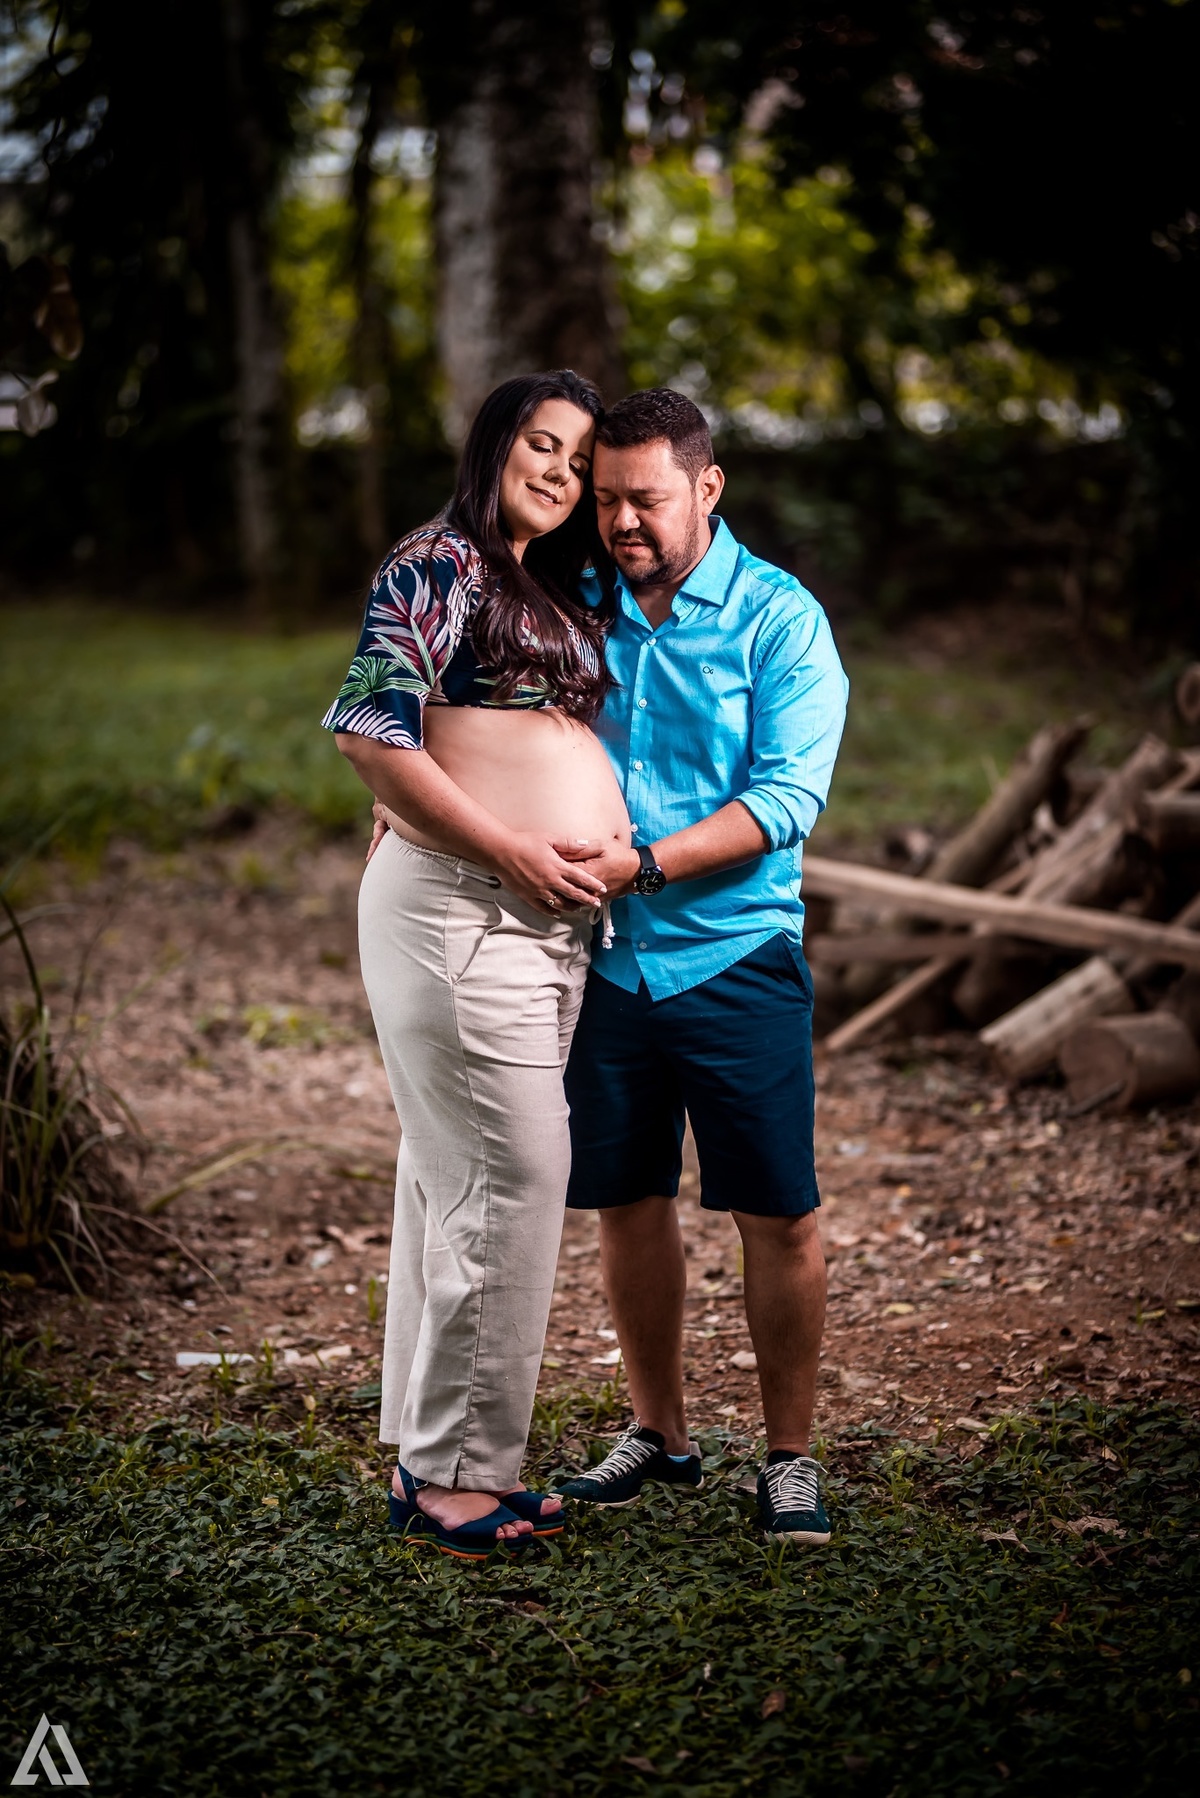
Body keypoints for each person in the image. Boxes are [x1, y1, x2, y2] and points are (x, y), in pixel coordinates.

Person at [323, 370, 631, 1559]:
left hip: (533, 923)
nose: (557, 470)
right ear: (493, 444)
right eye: (539, 445)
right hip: (463, 912)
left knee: (456, 1182)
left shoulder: (534, 578)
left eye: (578, 459)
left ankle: (430, 1456)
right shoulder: (438, 562)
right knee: (512, 1176)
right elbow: (369, 725)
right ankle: (459, 1479)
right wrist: (503, 843)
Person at [553, 388, 848, 1545]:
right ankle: (659, 1433)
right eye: (606, 497)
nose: (622, 521)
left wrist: (641, 866)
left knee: (777, 1212)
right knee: (627, 1203)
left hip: (736, 957)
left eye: (647, 499)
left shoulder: (782, 619)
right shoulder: (574, 600)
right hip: (608, 966)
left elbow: (784, 799)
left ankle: (788, 1458)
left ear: (707, 488)